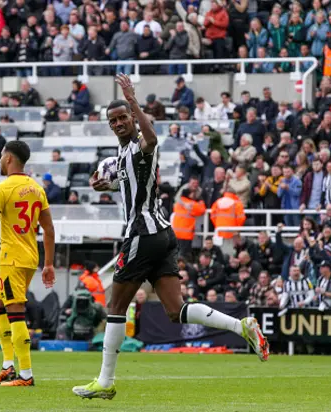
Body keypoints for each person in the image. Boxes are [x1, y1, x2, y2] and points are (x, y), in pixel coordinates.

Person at [73, 74, 268, 401]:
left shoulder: (140, 143)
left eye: (124, 118)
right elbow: (132, 184)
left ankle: (105, 382)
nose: (120, 123)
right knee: (175, 310)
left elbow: (151, 139)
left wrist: (133, 101)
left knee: (116, 306)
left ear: (133, 119)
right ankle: (241, 326)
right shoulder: (123, 155)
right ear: (109, 126)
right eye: (114, 120)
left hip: (142, 234)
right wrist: (106, 186)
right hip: (163, 234)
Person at [0, 140, 55, 387]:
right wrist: (48, 264)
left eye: (1, 156)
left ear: (8, 159)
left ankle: (25, 374)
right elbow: (49, 229)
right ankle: (8, 365)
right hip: (29, 258)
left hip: (12, 260)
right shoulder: (37, 189)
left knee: (15, 314)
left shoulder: (3, 189)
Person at [172, 188, 206, 258]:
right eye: (192, 193)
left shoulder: (178, 204)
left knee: (177, 254)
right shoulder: (191, 204)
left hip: (176, 233)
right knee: (184, 255)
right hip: (185, 234)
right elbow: (202, 209)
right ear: (189, 194)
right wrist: (200, 200)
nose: (194, 195)